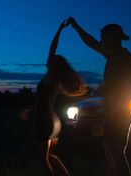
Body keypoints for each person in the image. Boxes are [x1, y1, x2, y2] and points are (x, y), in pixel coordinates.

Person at [67, 17, 131, 176]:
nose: (101, 41)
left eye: (104, 38)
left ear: (113, 39)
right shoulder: (111, 55)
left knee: (117, 153)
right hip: (112, 111)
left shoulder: (128, 60)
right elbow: (91, 42)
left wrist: (116, 110)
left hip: (121, 112)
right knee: (108, 150)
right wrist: (76, 26)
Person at [35, 20, 88, 176]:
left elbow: (52, 49)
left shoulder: (51, 77)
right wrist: (30, 108)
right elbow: (43, 99)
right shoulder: (56, 81)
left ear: (53, 65)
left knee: (42, 159)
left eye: (50, 60)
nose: (47, 61)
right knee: (50, 156)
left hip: (44, 121)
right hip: (55, 122)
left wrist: (59, 30)